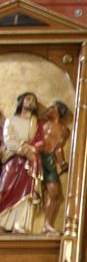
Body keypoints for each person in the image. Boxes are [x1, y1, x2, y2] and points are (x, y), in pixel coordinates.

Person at [0, 91, 43, 234]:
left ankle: (19, 223)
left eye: (33, 100)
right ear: (21, 101)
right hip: (13, 159)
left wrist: (31, 149)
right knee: (5, 188)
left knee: (26, 193)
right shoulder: (11, 120)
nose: (30, 102)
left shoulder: (35, 122)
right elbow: (8, 140)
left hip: (29, 162)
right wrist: (23, 149)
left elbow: (40, 140)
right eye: (28, 98)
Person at [40, 101, 71, 234]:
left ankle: (47, 224)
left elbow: (58, 149)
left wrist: (62, 162)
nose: (48, 109)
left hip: (48, 160)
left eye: (52, 107)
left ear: (59, 111)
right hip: (34, 158)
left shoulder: (63, 130)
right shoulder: (40, 125)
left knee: (54, 193)